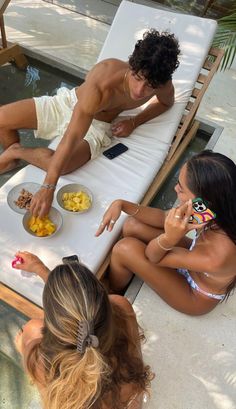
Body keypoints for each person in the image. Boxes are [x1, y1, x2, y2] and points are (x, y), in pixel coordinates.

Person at [0, 29, 180, 217]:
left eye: (150, 86)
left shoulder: (163, 83)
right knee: (2, 118)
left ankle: (15, 152)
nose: (140, 90)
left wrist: (134, 122)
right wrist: (48, 187)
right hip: (70, 104)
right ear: (132, 66)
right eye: (138, 78)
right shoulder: (103, 81)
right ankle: (12, 159)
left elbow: (166, 102)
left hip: (99, 126)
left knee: (63, 165)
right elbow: (72, 136)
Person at [96, 150, 236, 316]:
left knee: (124, 249)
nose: (175, 188)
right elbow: (163, 216)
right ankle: (126, 269)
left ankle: (115, 290)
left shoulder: (217, 256)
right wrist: (122, 204)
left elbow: (153, 257)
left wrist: (169, 238)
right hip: (194, 258)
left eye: (182, 189)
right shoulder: (211, 208)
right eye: (178, 182)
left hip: (195, 294)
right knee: (132, 225)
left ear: (203, 201)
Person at [14, 251, 153, 409]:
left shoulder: (39, 358)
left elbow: (49, 400)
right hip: (127, 401)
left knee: (31, 330)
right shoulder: (121, 307)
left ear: (51, 324)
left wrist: (24, 350)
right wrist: (41, 269)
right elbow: (135, 357)